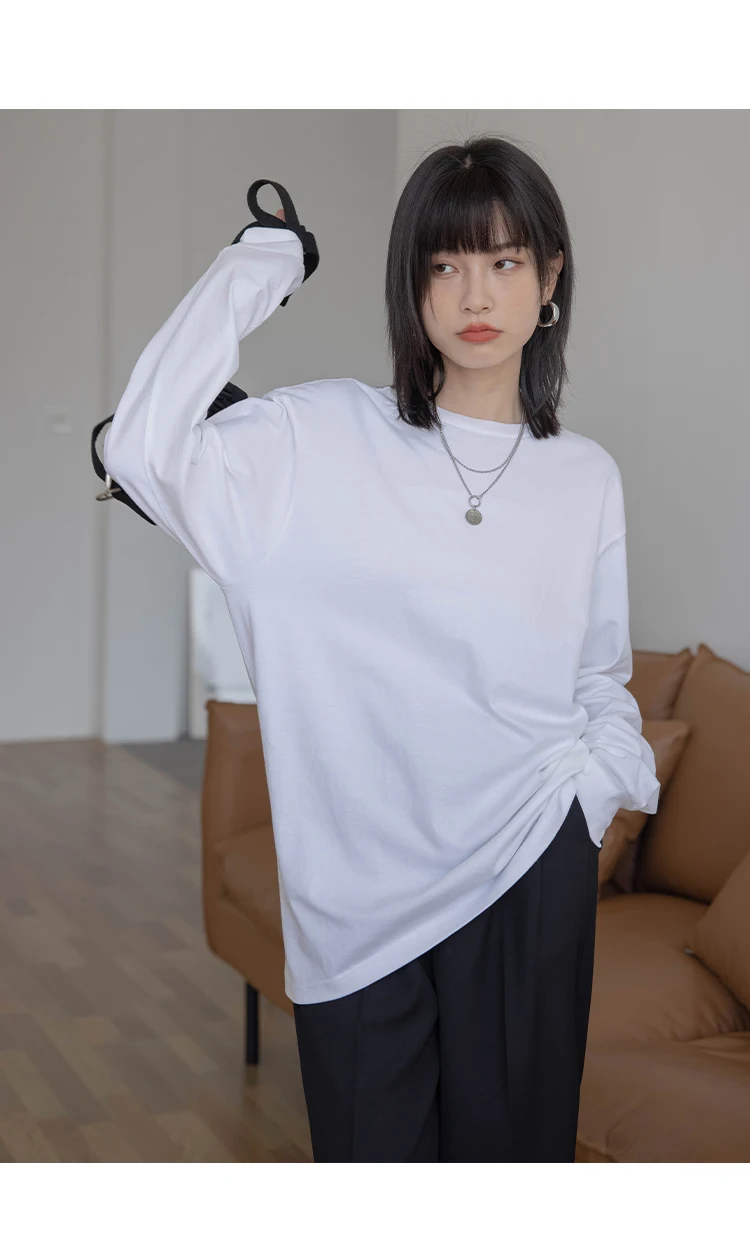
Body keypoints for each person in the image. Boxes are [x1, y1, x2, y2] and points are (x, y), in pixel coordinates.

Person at [103, 133, 660, 1162]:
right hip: (358, 902)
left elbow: (598, 669)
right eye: (444, 265)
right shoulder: (321, 437)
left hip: (531, 863)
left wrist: (594, 797)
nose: (475, 293)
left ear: (550, 280)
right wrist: (263, 260)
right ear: (412, 286)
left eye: (504, 261)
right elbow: (140, 444)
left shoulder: (585, 476)